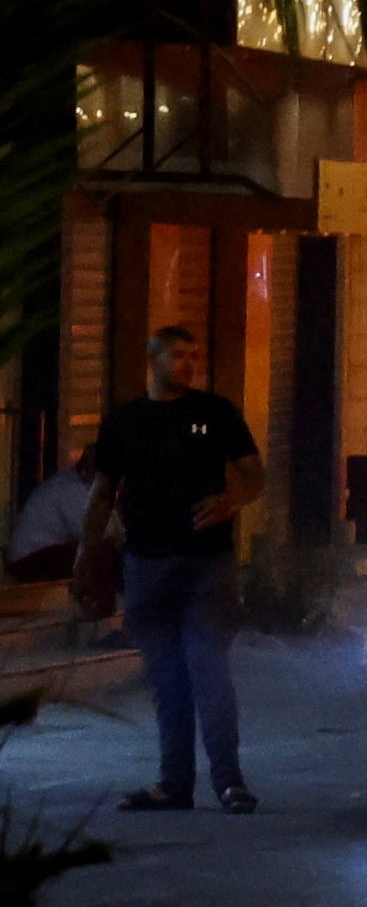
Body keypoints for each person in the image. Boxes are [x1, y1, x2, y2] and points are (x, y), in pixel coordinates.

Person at [88, 323, 263, 814]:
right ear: (154, 360)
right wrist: (87, 553)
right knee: (166, 678)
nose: (188, 364)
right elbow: (102, 492)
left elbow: (255, 474)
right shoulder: (125, 421)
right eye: (178, 355)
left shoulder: (215, 412)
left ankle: (229, 782)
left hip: (207, 562)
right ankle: (174, 783)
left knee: (208, 668)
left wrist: (232, 500)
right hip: (147, 561)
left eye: (193, 355)